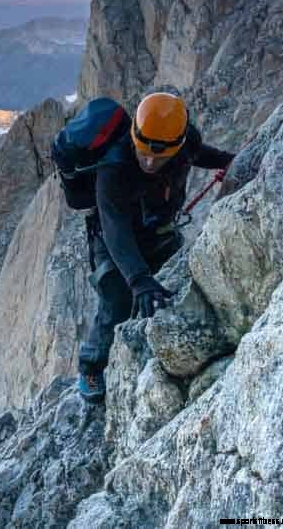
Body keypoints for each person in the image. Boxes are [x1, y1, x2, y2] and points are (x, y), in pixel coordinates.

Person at [77, 92, 234, 402]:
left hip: (158, 231)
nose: (149, 162)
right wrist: (138, 279)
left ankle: (148, 343)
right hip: (112, 239)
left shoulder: (185, 143)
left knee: (168, 290)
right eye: (143, 153)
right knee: (116, 298)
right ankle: (91, 366)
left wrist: (228, 160)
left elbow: (198, 153)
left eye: (158, 158)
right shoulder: (113, 165)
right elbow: (114, 227)